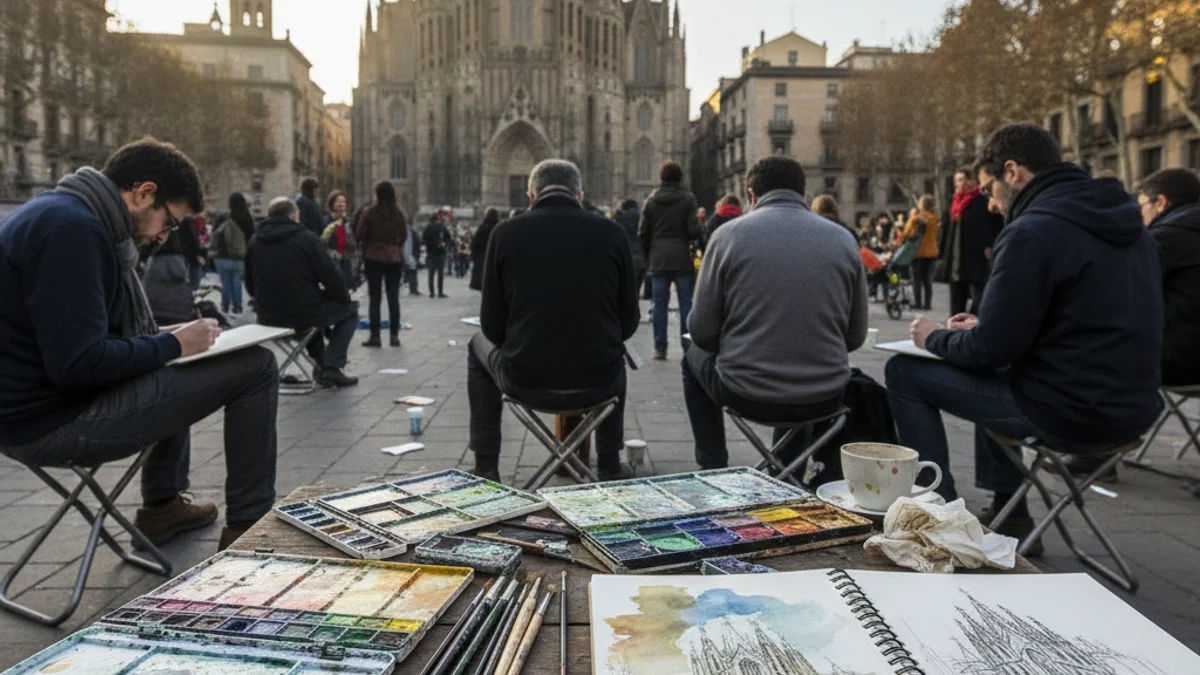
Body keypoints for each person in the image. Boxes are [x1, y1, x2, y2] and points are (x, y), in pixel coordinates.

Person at [886, 123, 1162, 550]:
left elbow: (989, 349)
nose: (991, 204)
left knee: (904, 372)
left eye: (987, 189)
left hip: (1069, 411)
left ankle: (936, 513)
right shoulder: (1131, 227)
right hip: (1133, 407)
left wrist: (934, 337)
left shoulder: (1032, 230)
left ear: (1012, 172)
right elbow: (1081, 316)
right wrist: (987, 327)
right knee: (990, 369)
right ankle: (1010, 512)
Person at [0, 137, 279, 550]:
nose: (166, 236)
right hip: (46, 422)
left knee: (177, 357)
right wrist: (174, 346)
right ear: (143, 193)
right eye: (169, 221)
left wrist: (164, 338)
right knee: (256, 367)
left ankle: (163, 506)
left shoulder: (64, 212)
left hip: (30, 409)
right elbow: (78, 363)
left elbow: (76, 335)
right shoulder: (74, 232)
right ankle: (247, 532)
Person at [685, 156, 867, 470]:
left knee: (691, 357)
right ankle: (786, 468)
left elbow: (702, 332)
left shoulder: (727, 236)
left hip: (746, 391)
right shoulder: (844, 239)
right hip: (825, 394)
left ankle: (713, 465)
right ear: (803, 193)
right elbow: (855, 336)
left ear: (751, 195)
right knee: (800, 367)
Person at [470, 160, 639, 483]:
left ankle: (486, 462)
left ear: (531, 196)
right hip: (599, 381)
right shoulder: (612, 233)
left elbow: (491, 326)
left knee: (475, 346)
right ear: (580, 194)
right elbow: (628, 321)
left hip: (525, 379)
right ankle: (609, 462)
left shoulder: (504, 233)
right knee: (615, 349)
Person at [246, 198, 359, 388]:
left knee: (312, 311)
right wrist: (343, 298)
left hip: (267, 316)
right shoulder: (306, 238)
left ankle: (323, 365)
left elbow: (249, 285)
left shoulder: (255, 241)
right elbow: (330, 276)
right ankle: (331, 366)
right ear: (294, 215)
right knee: (349, 311)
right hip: (303, 314)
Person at [1139, 168, 1200, 387]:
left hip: (1181, 363)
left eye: (1142, 206)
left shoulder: (1166, 236)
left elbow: (1122, 287)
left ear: (1161, 202)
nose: (1141, 214)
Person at [639, 161, 702, 360]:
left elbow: (643, 232)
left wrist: (649, 254)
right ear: (680, 178)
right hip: (682, 257)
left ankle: (660, 347)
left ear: (661, 178)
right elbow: (694, 230)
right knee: (685, 303)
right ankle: (687, 346)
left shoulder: (651, 200)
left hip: (658, 258)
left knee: (659, 305)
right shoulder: (688, 199)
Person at [943, 168, 1004, 315]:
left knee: (980, 296)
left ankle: (972, 322)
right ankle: (955, 329)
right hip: (956, 258)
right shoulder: (954, 203)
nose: (957, 184)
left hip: (976, 256)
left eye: (960, 180)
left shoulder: (983, 202)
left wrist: (991, 245)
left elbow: (997, 225)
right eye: (956, 180)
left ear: (971, 181)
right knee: (956, 301)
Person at [356, 180, 409, 347]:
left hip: (374, 257)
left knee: (375, 298)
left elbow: (360, 233)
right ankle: (394, 336)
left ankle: (375, 336)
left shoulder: (370, 212)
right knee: (393, 297)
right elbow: (404, 235)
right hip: (394, 258)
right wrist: (395, 247)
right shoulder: (399, 214)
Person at [210, 193, 251, 315]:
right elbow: (251, 237)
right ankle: (238, 306)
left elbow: (214, 233)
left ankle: (225, 306)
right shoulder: (246, 218)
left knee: (225, 282)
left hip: (221, 256)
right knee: (237, 280)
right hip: (239, 256)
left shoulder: (222, 216)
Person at [903, 196, 941, 310]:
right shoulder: (935, 219)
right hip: (931, 252)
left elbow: (907, 234)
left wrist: (912, 218)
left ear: (921, 205)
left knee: (916, 280)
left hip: (918, 253)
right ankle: (927, 304)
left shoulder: (916, 218)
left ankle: (918, 303)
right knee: (927, 281)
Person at [321, 190, 360, 292]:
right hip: (330, 262)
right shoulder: (325, 221)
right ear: (332, 204)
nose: (341, 204)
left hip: (346, 263)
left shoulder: (348, 222)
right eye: (338, 201)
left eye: (343, 201)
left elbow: (354, 243)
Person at [613, 199, 647, 303]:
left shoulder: (618, 219)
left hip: (625, 257)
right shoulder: (643, 218)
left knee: (625, 290)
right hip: (641, 258)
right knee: (636, 289)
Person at [469, 208, 501, 291]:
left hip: (482, 258)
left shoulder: (482, 227)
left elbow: (474, 244)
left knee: (483, 283)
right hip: (495, 258)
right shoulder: (499, 227)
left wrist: (474, 257)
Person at [423, 213, 452, 298]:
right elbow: (449, 238)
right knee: (440, 273)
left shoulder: (427, 228)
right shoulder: (442, 227)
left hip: (431, 253)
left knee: (431, 274)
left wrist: (429, 245)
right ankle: (440, 292)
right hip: (441, 252)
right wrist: (445, 244)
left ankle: (431, 293)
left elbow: (423, 239)